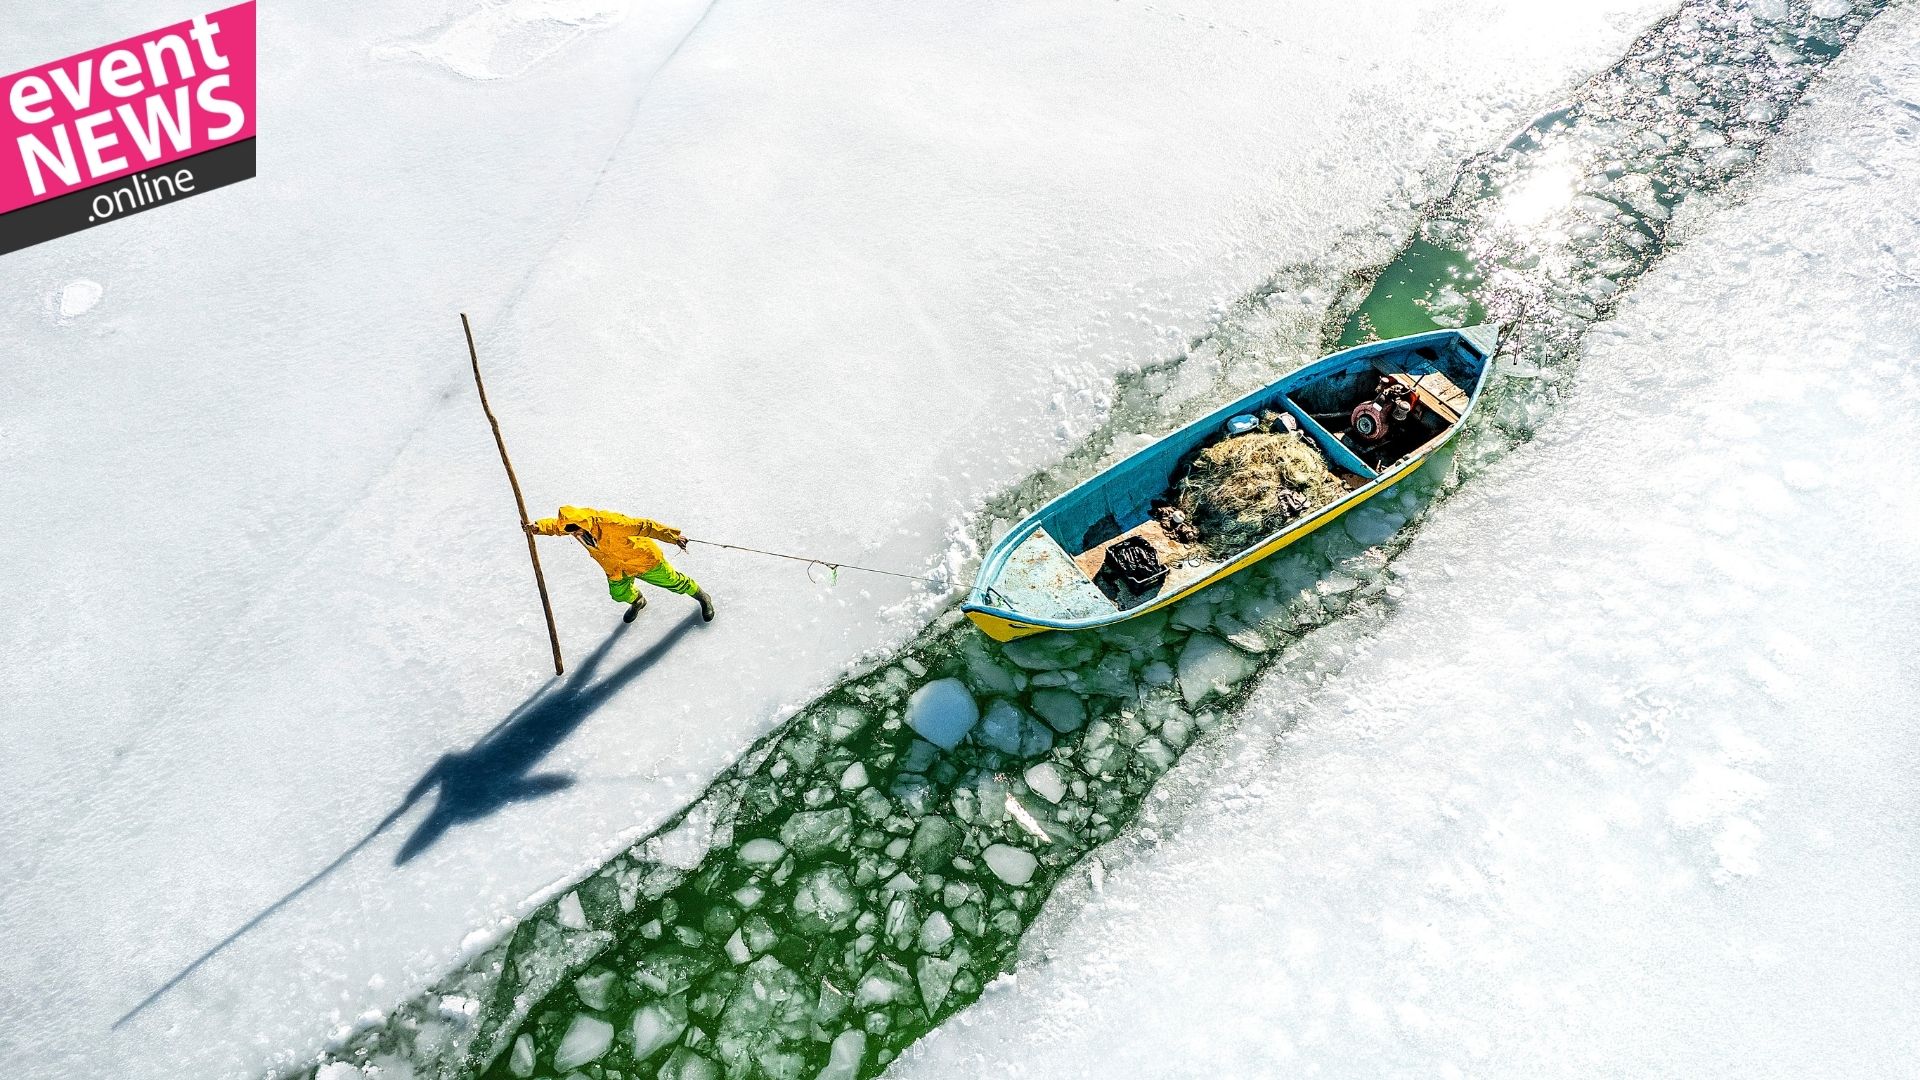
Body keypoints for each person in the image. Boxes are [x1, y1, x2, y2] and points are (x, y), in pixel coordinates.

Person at [526, 506, 715, 623]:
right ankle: (638, 601)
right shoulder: (572, 527)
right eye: (570, 531)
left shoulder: (611, 522)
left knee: (674, 582)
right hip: (615, 568)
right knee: (618, 594)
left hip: (643, 560)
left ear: (583, 522)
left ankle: (702, 597)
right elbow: (555, 526)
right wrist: (537, 527)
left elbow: (645, 526)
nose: (574, 534)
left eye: (575, 529)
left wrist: (673, 537)